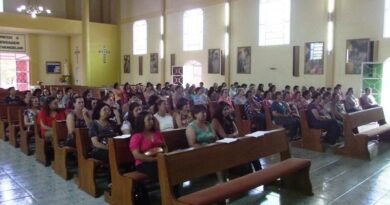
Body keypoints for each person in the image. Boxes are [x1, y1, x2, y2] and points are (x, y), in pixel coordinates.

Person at [129, 111, 165, 183]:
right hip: (144, 163)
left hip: (160, 159)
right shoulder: (136, 136)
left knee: (171, 166)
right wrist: (153, 159)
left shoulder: (157, 133)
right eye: (148, 119)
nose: (151, 121)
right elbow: (136, 155)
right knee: (158, 169)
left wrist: (165, 156)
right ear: (142, 121)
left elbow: (165, 146)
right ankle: (165, 190)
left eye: (152, 119)